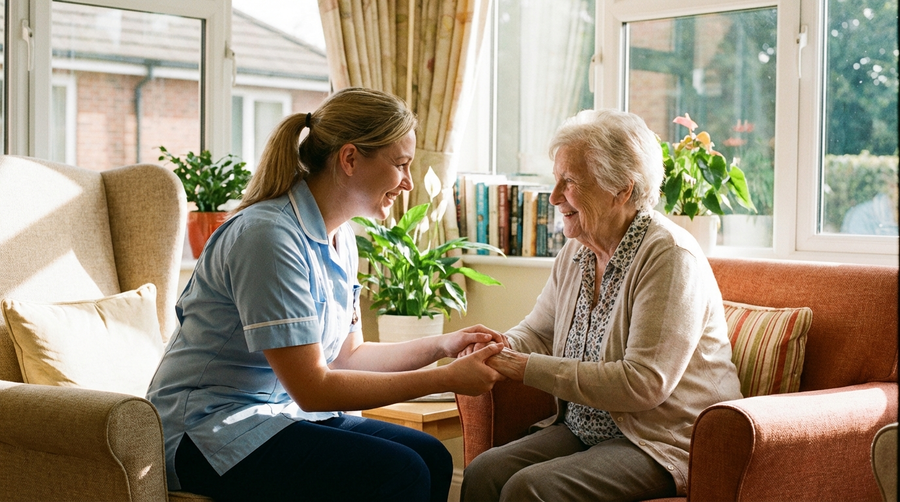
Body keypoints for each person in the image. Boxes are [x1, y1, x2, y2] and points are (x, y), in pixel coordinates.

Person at [148, 87, 505, 502]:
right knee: (400, 471)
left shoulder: (341, 238)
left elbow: (349, 357)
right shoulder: (267, 236)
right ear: (350, 158)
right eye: (401, 165)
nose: (407, 183)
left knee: (430, 456)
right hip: (207, 430)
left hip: (280, 418)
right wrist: (444, 379)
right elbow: (314, 387)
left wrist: (445, 344)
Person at [459, 109, 742, 501]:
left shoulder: (670, 257)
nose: (555, 196)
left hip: (661, 440)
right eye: (556, 180)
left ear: (622, 190)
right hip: (584, 428)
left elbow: (643, 382)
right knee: (484, 473)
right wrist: (496, 346)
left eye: (569, 182)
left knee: (529, 490)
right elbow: (538, 331)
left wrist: (522, 368)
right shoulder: (576, 252)